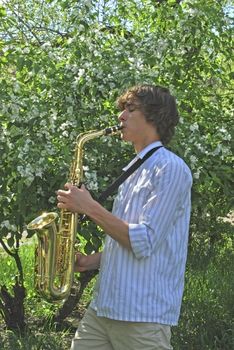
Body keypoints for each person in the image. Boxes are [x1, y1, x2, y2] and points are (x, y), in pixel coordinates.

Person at [57, 84, 193, 350]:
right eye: (122, 110)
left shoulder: (170, 168)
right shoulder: (136, 169)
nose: (121, 116)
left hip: (141, 316)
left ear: (154, 116)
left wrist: (89, 207)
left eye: (130, 109)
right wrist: (91, 261)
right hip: (104, 307)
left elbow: (144, 241)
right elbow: (127, 239)